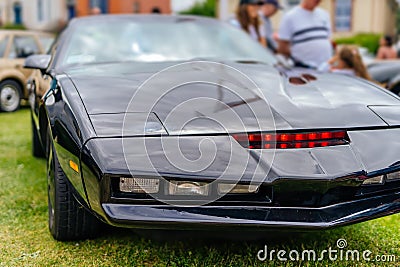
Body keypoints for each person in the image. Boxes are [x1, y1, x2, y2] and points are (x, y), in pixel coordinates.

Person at [278, 0, 333, 69]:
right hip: (302, 69)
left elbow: (328, 39)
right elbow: (283, 47)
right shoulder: (290, 17)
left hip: (325, 68)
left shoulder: (324, 15)